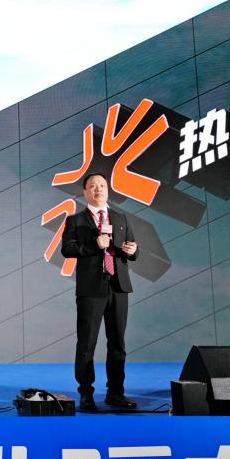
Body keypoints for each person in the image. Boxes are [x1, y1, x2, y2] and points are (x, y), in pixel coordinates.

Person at [60, 172, 139, 412]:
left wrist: (133, 250)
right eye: (92, 186)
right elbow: (67, 249)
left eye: (102, 185)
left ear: (108, 190)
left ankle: (116, 393)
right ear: (85, 192)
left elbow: (133, 249)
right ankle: (86, 394)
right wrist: (94, 244)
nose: (98, 189)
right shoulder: (76, 220)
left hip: (118, 286)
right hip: (91, 289)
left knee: (117, 343)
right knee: (87, 344)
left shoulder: (121, 218)